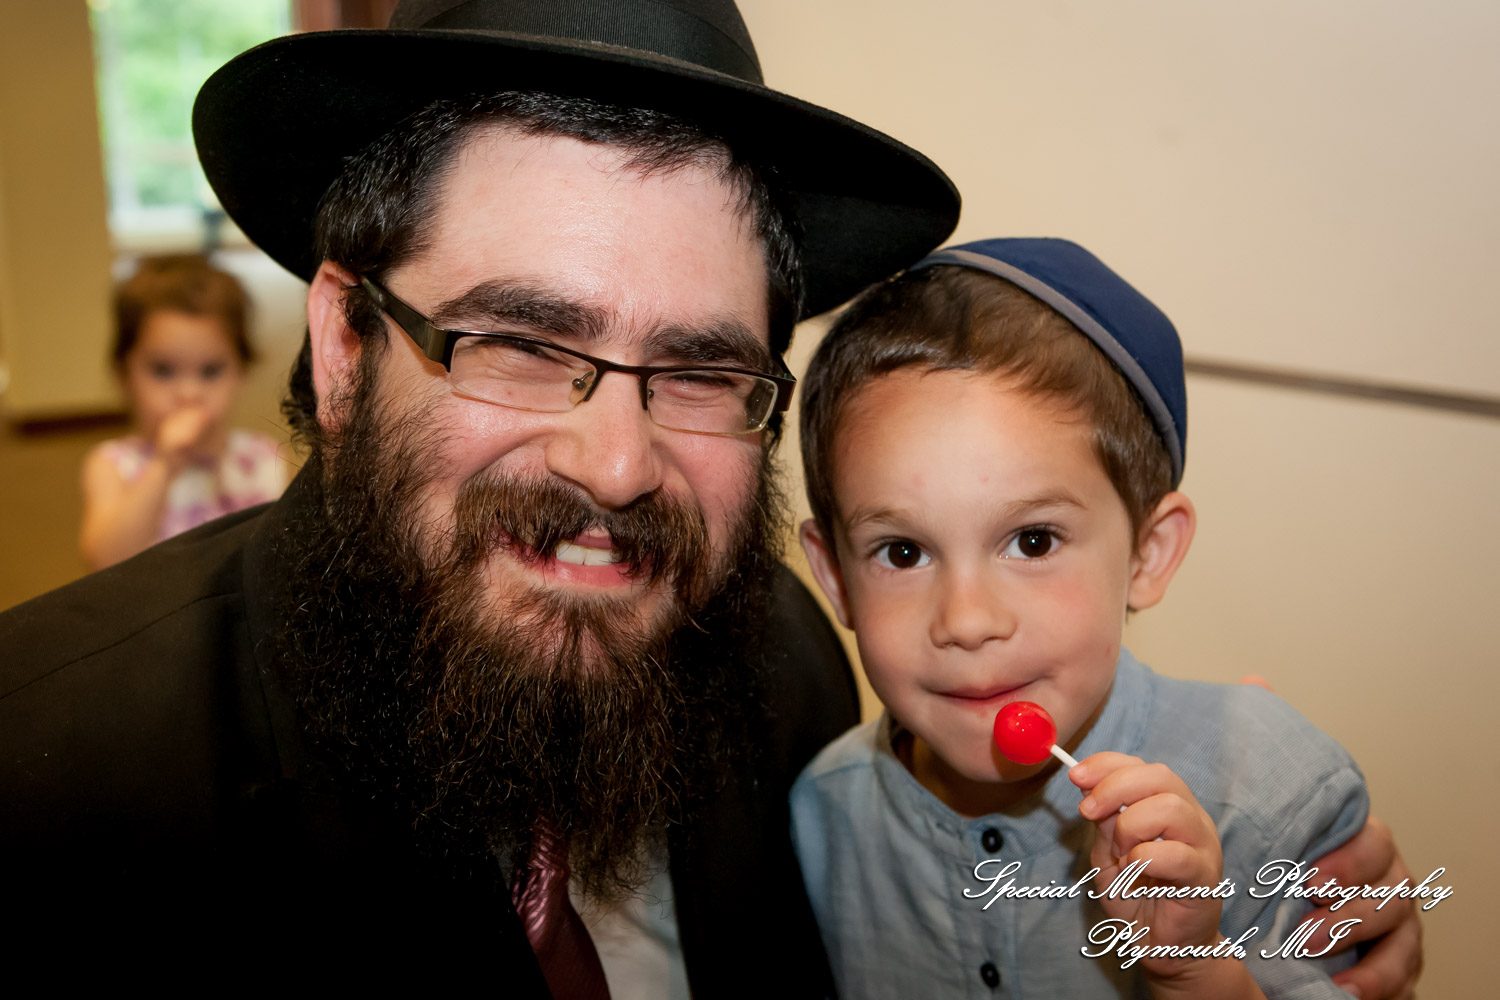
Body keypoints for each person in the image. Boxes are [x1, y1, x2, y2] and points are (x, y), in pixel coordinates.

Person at [0, 2, 1419, 996]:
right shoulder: (49, 790)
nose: (616, 469)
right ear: (344, 341)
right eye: (522, 341)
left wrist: (1266, 936)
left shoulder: (781, 664)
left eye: (698, 369)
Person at [790, 238, 1409, 998]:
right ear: (835, 578)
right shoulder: (818, 817)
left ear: (1148, 554)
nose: (968, 619)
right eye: (903, 552)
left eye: (1033, 540)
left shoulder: (1272, 789)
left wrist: (1196, 970)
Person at [79, 254, 286, 569]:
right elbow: (105, 560)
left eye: (210, 371)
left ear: (241, 372)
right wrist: (164, 467)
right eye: (163, 370)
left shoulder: (264, 459)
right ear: (124, 374)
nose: (189, 393)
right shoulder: (113, 465)